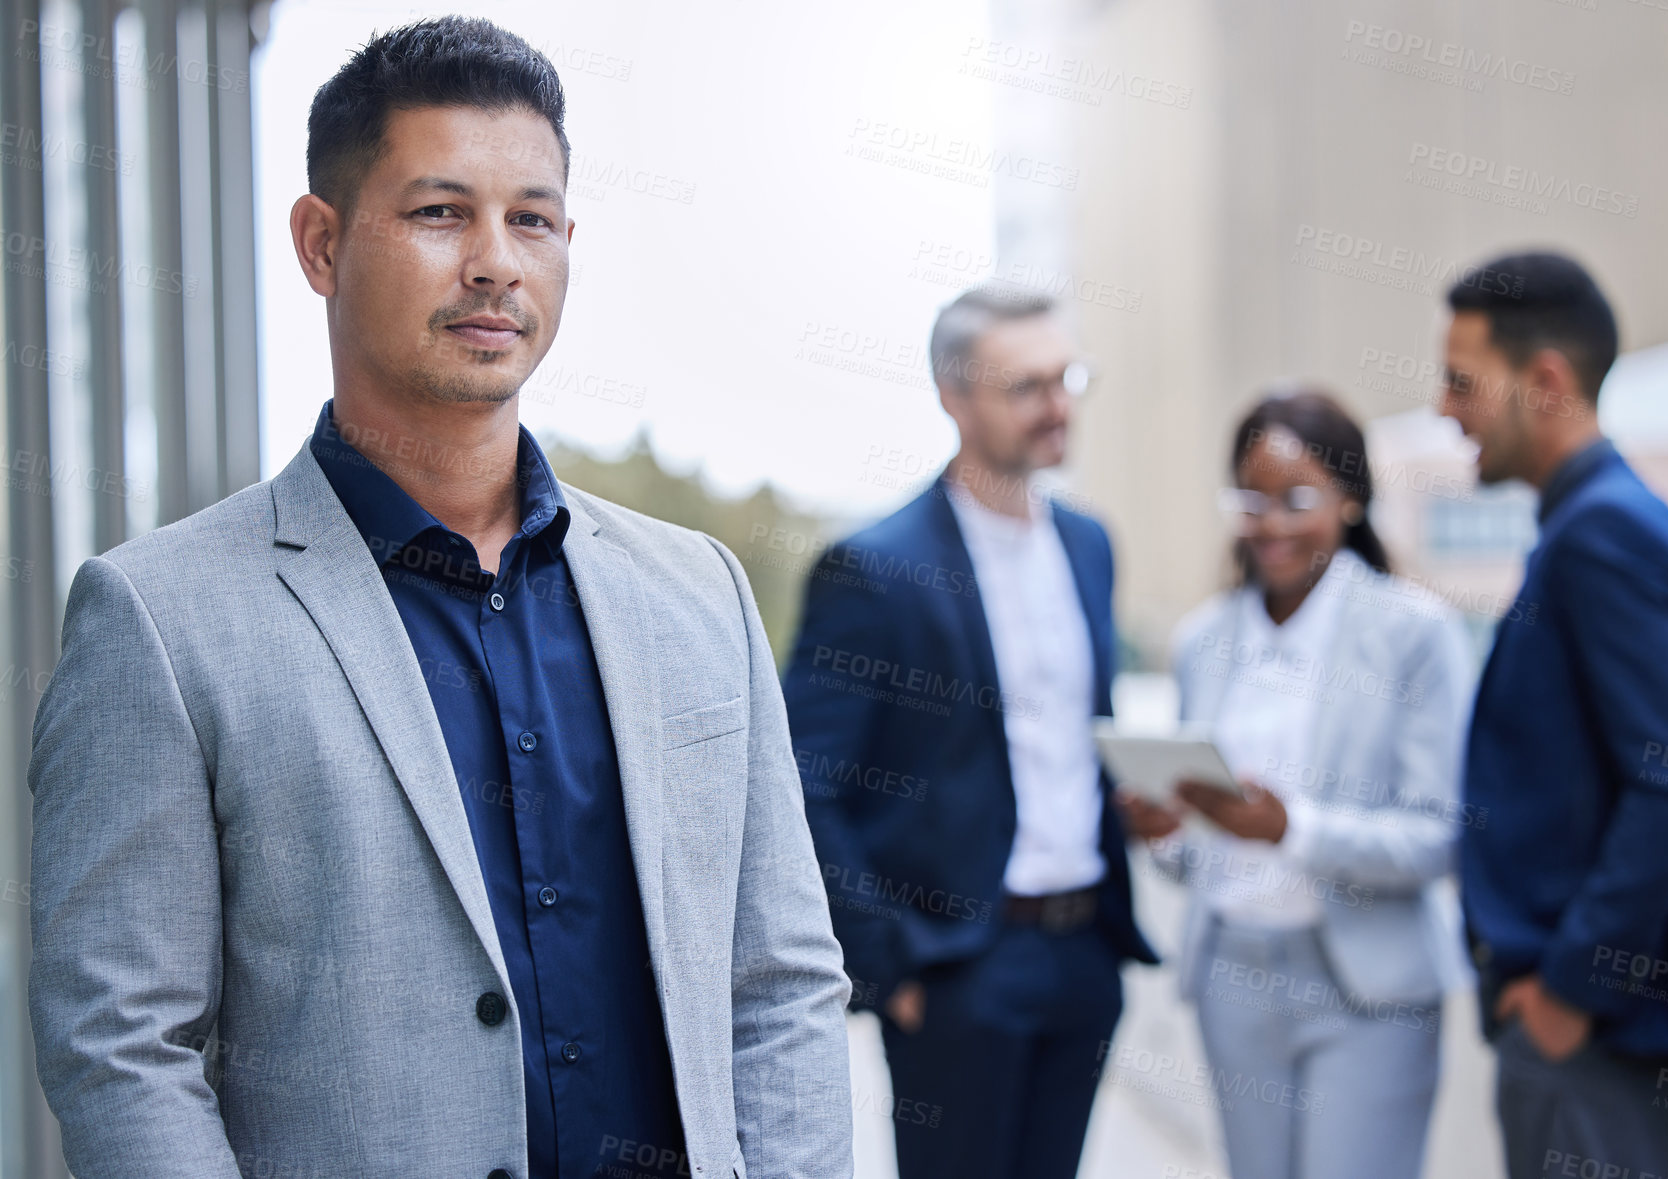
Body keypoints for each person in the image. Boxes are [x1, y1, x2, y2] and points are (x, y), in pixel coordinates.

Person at [28, 18, 851, 1179]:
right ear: (320, 243)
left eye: (531, 219)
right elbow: (119, 1044)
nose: (494, 262)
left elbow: (780, 980)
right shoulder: (161, 620)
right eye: (437, 212)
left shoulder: (696, 593)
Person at [784, 285, 1157, 1179]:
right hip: (956, 974)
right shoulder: (875, 568)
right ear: (955, 396)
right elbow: (806, 785)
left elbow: (1068, 741)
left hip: (1084, 958)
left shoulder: (1089, 544)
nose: (1057, 405)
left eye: (1066, 377)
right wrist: (891, 970)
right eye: (1026, 385)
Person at [1120, 388, 1474, 1179]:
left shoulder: (1414, 633)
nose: (1271, 522)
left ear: (1351, 499)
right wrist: (1167, 832)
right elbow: (1197, 850)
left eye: (1297, 498)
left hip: (1365, 987)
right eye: (1253, 499)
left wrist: (1290, 828)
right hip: (1232, 978)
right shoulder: (1205, 639)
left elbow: (1437, 833)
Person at [1440, 251, 1668, 1179]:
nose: (1444, 408)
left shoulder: (1603, 532)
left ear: (1544, 382)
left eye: (1461, 381)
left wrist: (1571, 989)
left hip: (1586, 1029)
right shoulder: (1585, 524)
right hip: (1579, 1024)